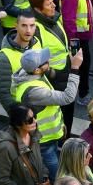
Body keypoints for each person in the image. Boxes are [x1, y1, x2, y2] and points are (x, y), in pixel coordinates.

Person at [15, 47, 84, 176]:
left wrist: (61, 124)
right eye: (44, 60)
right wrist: (75, 68)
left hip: (49, 135)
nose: (48, 60)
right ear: (36, 69)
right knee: (57, 174)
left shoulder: (33, 75)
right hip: (44, 141)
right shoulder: (34, 91)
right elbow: (67, 97)